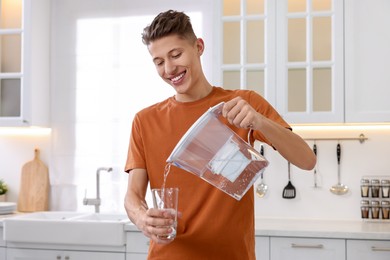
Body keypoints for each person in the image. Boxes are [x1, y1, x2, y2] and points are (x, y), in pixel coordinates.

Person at [124, 10, 316, 260]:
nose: (169, 69)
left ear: (198, 47)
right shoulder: (145, 121)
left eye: (176, 54)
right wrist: (142, 218)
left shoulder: (242, 104)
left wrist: (259, 121)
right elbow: (133, 195)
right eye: (159, 62)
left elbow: (307, 160)